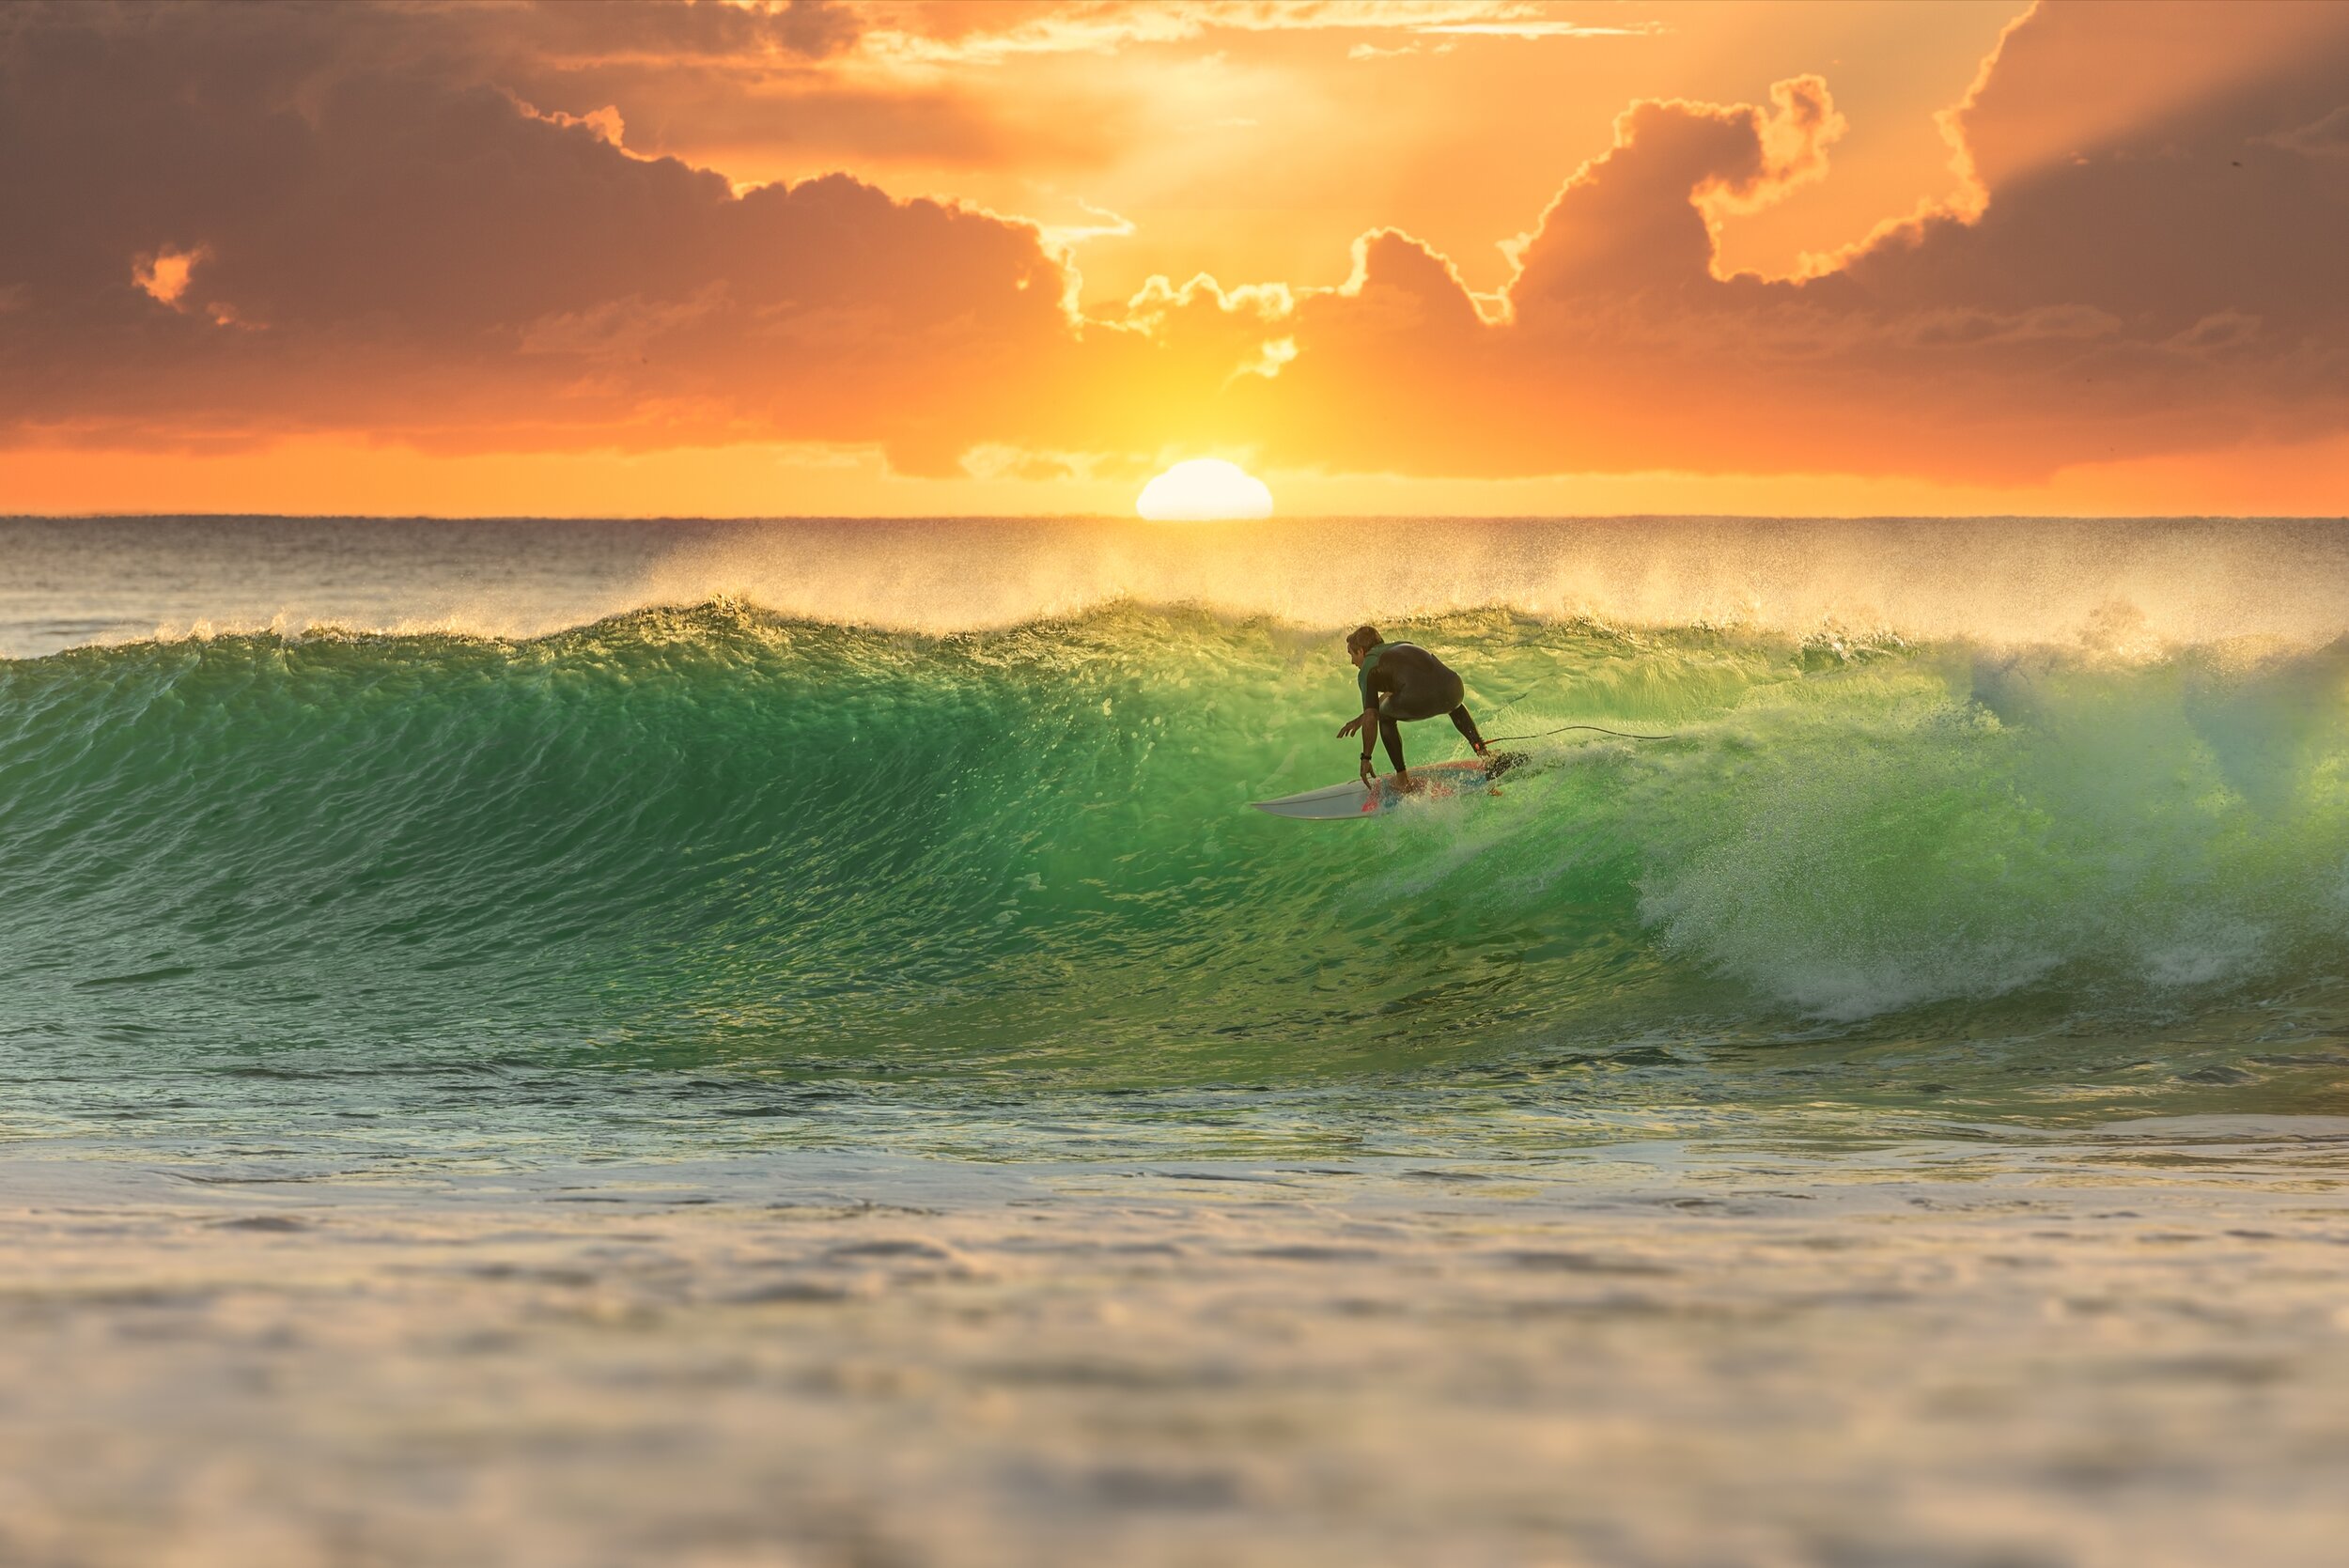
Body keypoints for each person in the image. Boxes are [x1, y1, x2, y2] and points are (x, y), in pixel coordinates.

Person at [1337, 625, 1489, 792]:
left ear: (1361, 651)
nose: (1352, 662)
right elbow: (1393, 693)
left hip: (1419, 696)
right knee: (1453, 706)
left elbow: (1373, 715)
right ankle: (1485, 755)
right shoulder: (1402, 646)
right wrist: (1362, 719)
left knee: (1385, 717)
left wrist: (1365, 758)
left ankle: (1402, 780)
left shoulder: (1368, 668)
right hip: (1453, 688)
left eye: (1351, 654)